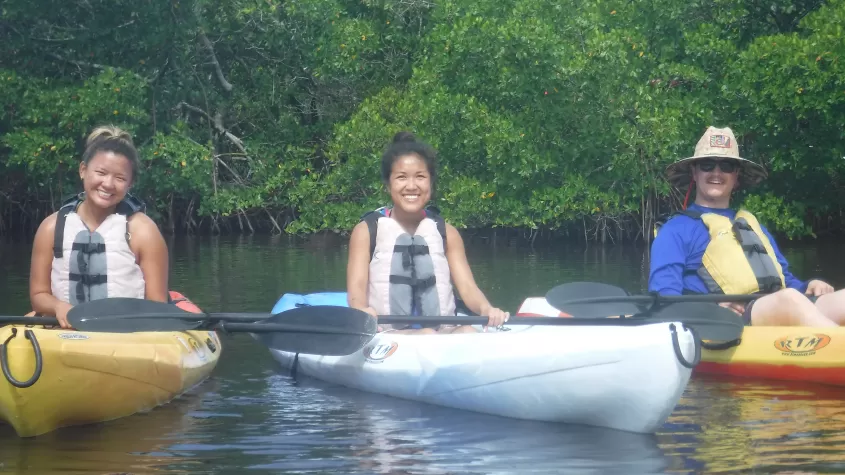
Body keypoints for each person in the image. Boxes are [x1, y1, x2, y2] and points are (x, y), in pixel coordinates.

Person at [649, 126, 845, 327]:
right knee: (789, 299)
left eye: (726, 166)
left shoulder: (750, 225)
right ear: (694, 172)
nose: (716, 173)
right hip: (730, 320)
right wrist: (709, 308)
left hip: (780, 307)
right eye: (707, 165)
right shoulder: (674, 230)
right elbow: (664, 298)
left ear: (736, 177)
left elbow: (785, 280)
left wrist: (808, 285)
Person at [346, 131, 509, 334]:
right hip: (388, 333)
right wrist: (361, 310)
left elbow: (468, 288)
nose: (412, 186)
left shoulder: (446, 232)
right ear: (388, 185)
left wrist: (486, 309)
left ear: (431, 183)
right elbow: (357, 290)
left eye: (420, 177)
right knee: (426, 334)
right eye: (401, 177)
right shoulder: (367, 231)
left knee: (467, 331)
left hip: (441, 331)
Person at [28, 125, 169, 329]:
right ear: (83, 170)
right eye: (101, 172)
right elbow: (38, 295)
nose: (108, 184)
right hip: (63, 334)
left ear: (130, 183)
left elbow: (157, 305)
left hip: (125, 337)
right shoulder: (51, 227)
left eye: (120, 178)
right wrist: (58, 306)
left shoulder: (143, 231)